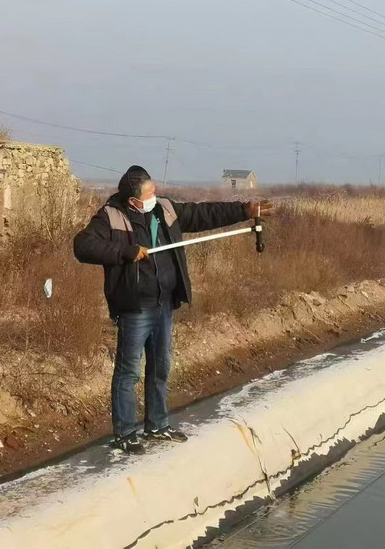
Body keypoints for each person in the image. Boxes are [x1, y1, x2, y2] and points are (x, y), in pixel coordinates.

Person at [73, 165, 273, 454]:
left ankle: (157, 424)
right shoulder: (110, 216)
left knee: (161, 367)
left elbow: (203, 214)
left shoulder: (164, 209)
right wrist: (124, 252)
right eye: (148, 193)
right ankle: (125, 433)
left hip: (164, 303)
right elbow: (82, 246)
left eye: (153, 190)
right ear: (133, 200)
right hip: (134, 307)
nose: (154, 196)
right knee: (129, 372)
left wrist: (245, 210)